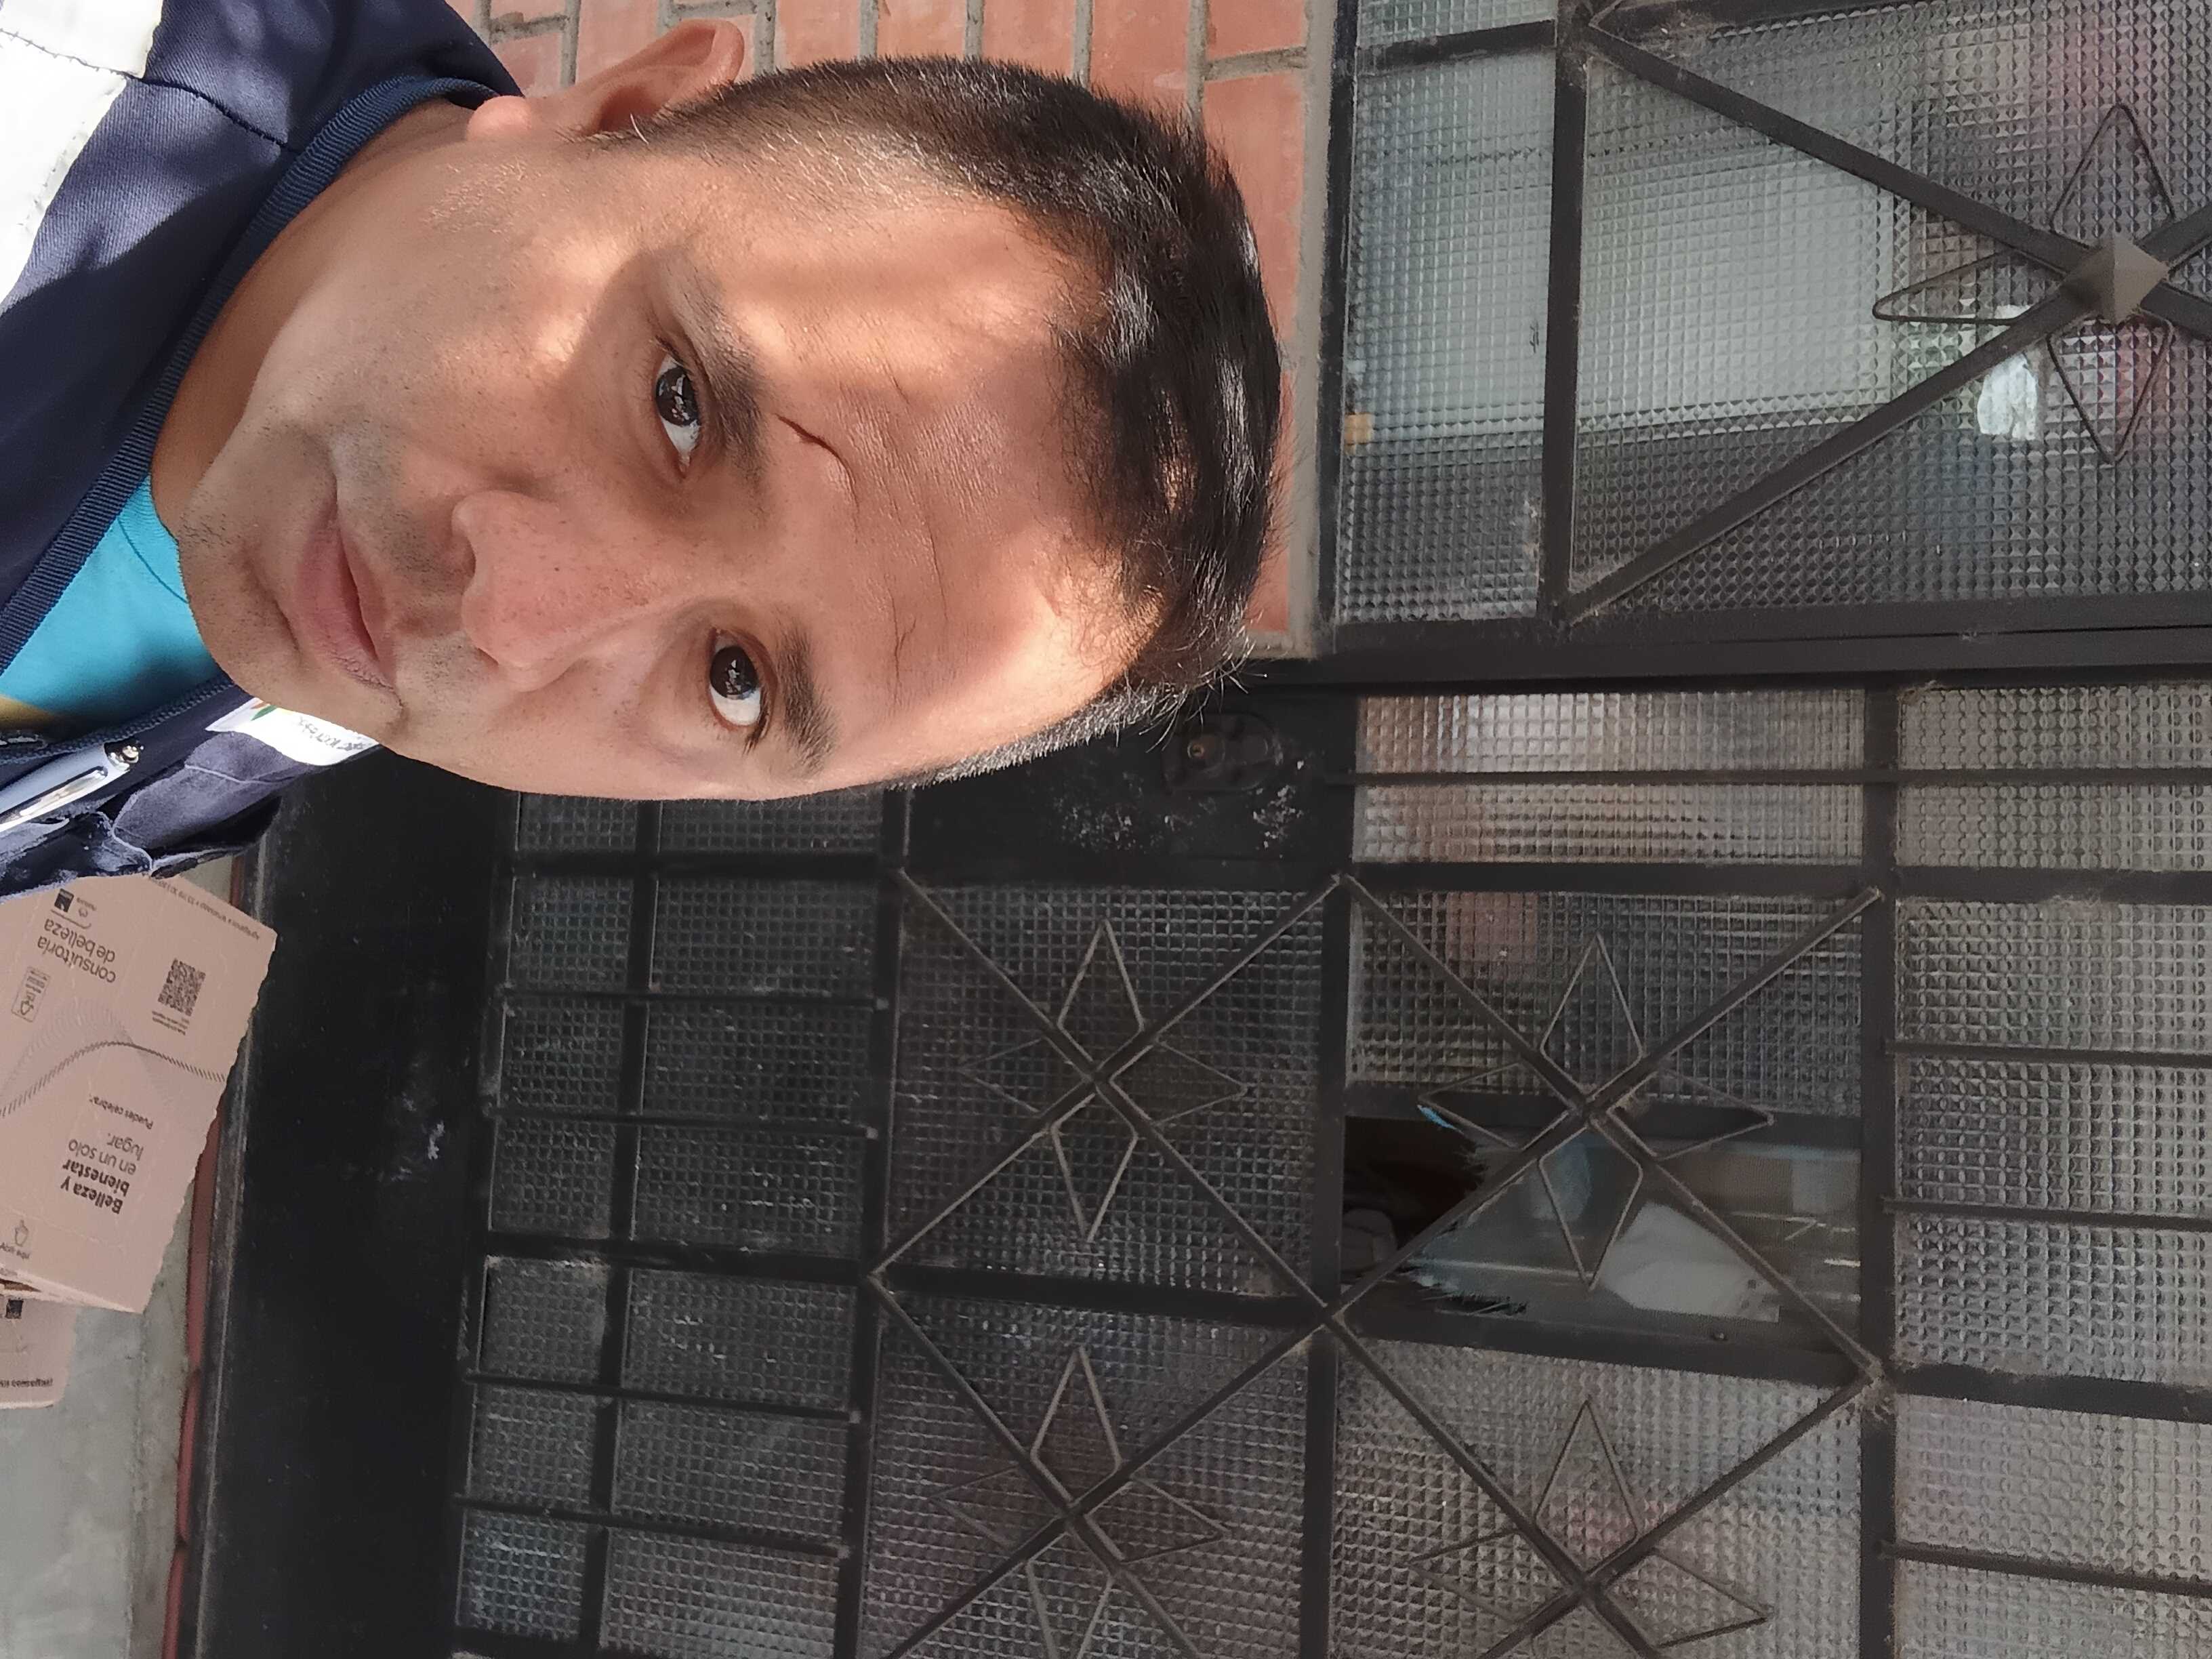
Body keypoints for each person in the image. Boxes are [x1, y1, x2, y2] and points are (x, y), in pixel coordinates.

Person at [0, 1, 1279, 897]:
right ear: (619, 111)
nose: (512, 622)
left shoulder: (327, 640)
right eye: (680, 405)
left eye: (735, 680)